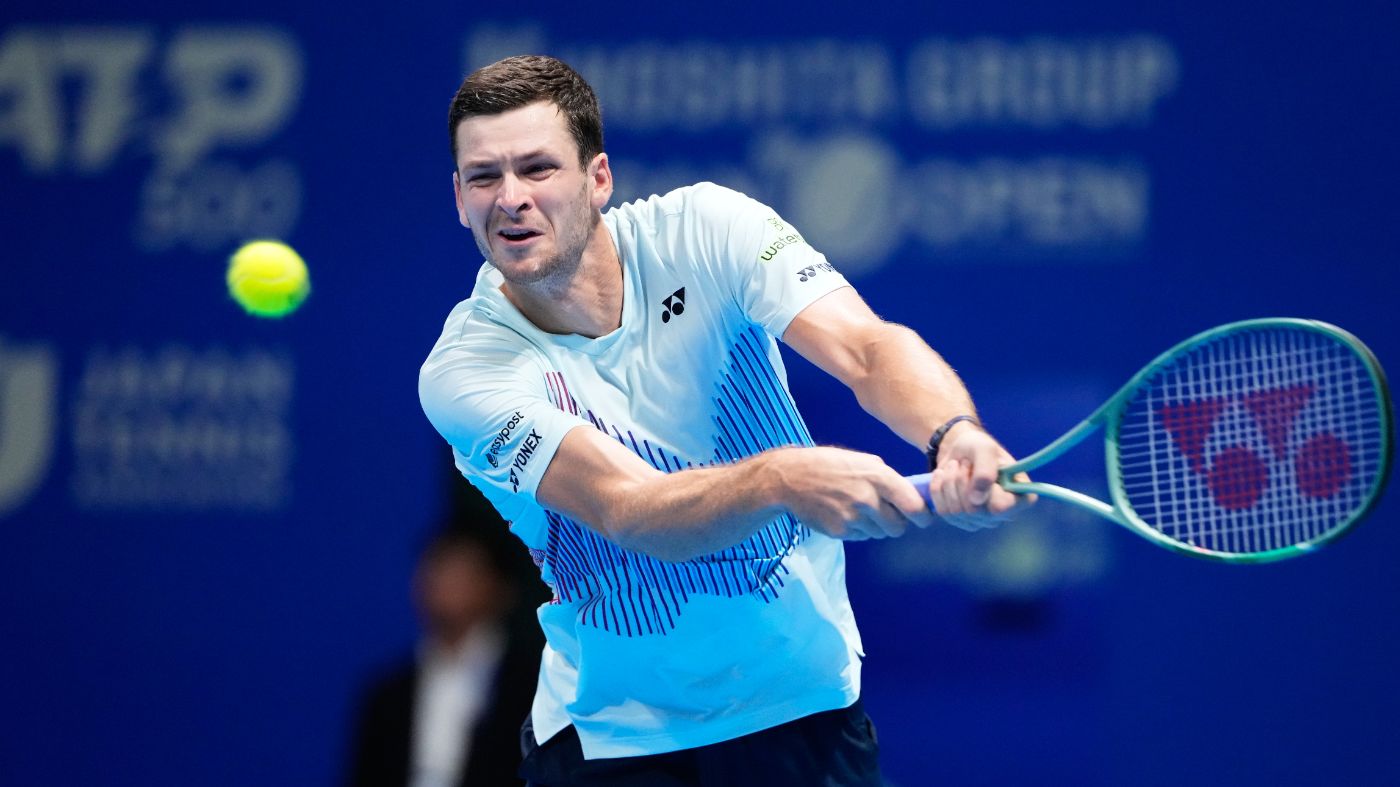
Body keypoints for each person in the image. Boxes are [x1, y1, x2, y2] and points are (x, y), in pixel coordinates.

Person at [418, 54, 1030, 786]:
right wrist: (783, 479)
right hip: (616, 742)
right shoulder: (466, 370)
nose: (511, 198)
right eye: (484, 177)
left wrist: (953, 432)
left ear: (598, 178)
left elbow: (867, 349)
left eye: (538, 168)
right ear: (460, 198)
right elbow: (630, 508)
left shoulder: (709, 229)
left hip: (803, 711)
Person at [347, 516, 545, 787]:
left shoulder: (535, 688)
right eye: (437, 568)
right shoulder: (387, 695)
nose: (446, 582)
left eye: (463, 571)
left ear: (501, 588)